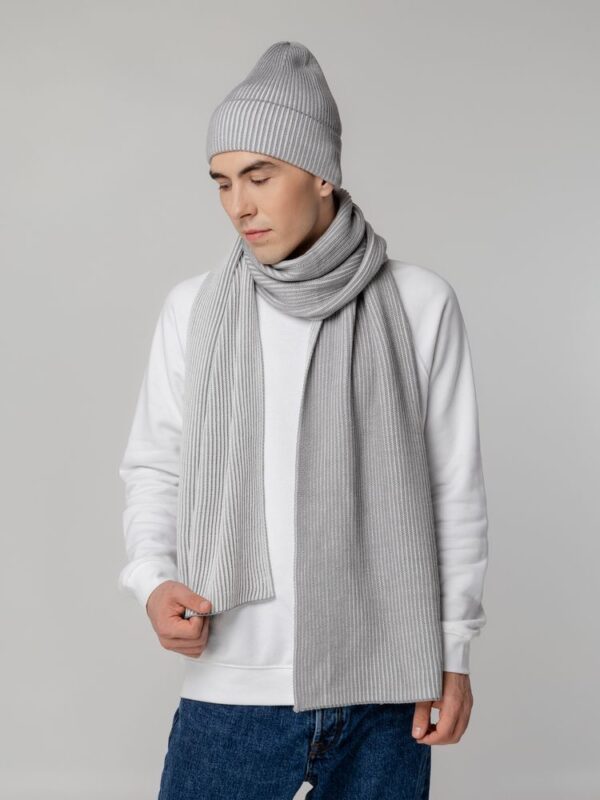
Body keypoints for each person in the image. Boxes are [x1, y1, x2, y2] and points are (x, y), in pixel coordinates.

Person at [118, 40, 489, 800]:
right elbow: (156, 466)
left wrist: (454, 652)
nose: (239, 206)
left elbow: (452, 491)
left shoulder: (419, 304)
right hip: (234, 682)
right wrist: (152, 579)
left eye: (260, 176)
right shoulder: (195, 311)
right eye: (223, 182)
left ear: (322, 173)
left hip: (387, 688)